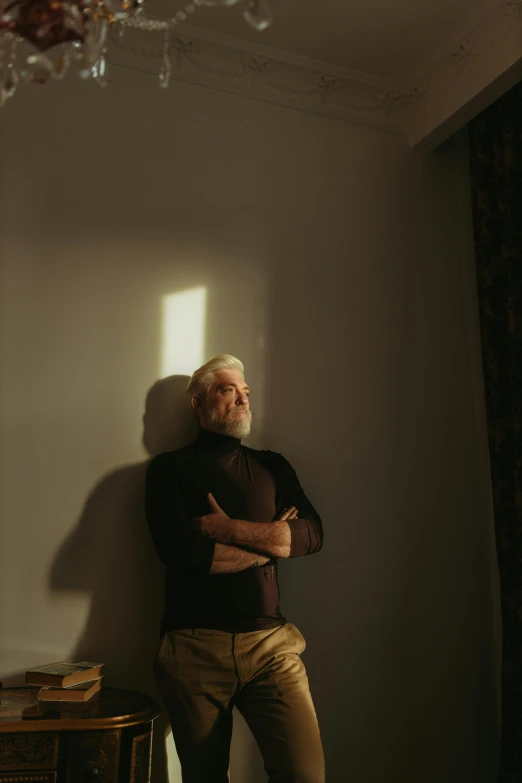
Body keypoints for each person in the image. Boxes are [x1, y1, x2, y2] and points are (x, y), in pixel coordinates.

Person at [145, 354, 325, 783]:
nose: (243, 399)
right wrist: (269, 544)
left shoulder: (272, 465)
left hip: (271, 646)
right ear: (198, 402)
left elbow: (311, 535)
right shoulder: (168, 469)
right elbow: (184, 556)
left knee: (305, 775)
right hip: (193, 648)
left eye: (245, 393)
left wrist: (227, 528)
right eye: (229, 391)